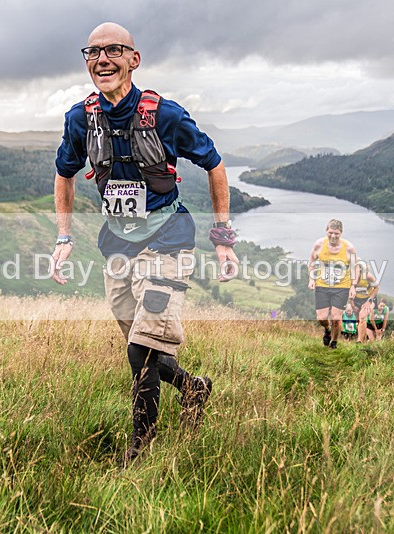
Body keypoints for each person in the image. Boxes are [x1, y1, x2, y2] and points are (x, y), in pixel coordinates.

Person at [51, 22, 239, 466]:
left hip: (168, 241)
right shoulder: (81, 119)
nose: (102, 59)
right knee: (143, 344)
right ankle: (193, 388)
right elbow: (64, 172)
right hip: (117, 247)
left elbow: (214, 164)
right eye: (93, 52)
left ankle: (140, 452)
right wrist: (63, 237)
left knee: (142, 350)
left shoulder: (166, 115)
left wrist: (224, 239)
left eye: (113, 50)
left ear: (134, 59)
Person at [308, 219, 358, 349]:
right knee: (321, 318)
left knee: (336, 318)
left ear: (341, 233)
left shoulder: (349, 248)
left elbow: (355, 267)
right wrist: (312, 279)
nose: (333, 236)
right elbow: (312, 261)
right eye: (330, 232)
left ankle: (334, 342)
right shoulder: (319, 244)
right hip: (322, 285)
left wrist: (353, 286)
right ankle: (327, 330)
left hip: (342, 287)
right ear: (326, 231)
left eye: (336, 233)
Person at [352, 260, 379, 343]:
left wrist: (369, 301)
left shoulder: (368, 276)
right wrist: (352, 305)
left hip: (369, 299)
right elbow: (349, 291)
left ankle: (359, 340)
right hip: (356, 300)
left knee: (362, 317)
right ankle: (363, 340)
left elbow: (377, 288)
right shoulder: (351, 278)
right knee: (358, 321)